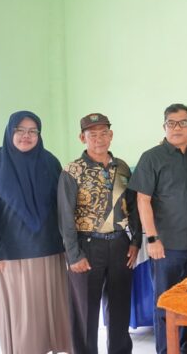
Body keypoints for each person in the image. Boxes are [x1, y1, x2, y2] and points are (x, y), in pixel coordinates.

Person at [0, 110, 72, 353]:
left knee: (51, 309)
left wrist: (69, 245)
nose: (26, 136)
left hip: (51, 249)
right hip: (12, 255)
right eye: (20, 130)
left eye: (32, 131)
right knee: (24, 316)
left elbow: (61, 206)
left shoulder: (49, 162)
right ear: (10, 132)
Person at [57, 113, 141, 354]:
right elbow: (65, 216)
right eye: (92, 134)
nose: (99, 139)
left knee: (119, 307)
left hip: (120, 244)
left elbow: (134, 207)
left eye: (104, 133)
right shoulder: (72, 171)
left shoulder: (122, 167)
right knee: (85, 310)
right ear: (82, 138)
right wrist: (74, 255)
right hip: (87, 245)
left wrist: (135, 241)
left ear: (111, 135)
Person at [129, 103, 187, 354]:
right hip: (165, 246)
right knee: (165, 301)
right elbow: (143, 200)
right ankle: (166, 349)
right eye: (171, 123)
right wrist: (152, 239)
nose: (177, 128)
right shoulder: (152, 157)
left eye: (183, 123)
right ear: (164, 127)